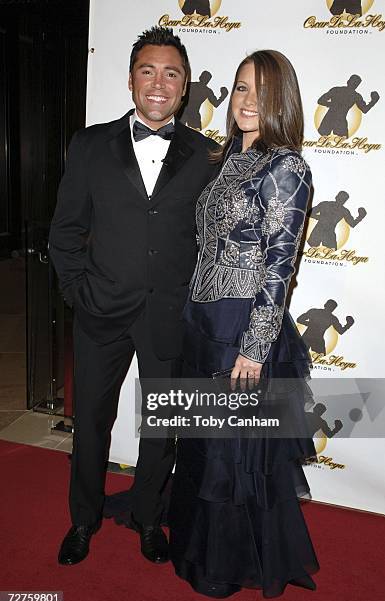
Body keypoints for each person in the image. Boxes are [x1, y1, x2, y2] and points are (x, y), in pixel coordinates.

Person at [49, 26, 218, 566]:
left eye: (172, 73)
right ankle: (83, 519)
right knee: (92, 422)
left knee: (161, 426)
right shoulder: (91, 144)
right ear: (130, 79)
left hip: (169, 313)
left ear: (185, 87)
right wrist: (78, 290)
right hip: (101, 309)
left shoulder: (207, 155)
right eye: (148, 70)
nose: (159, 83)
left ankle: (149, 516)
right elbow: (66, 229)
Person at [167, 50, 320, 599]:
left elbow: (280, 270)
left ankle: (225, 564)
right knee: (202, 443)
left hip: (242, 327)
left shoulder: (287, 168)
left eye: (259, 90)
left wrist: (254, 349)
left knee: (233, 454)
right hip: (201, 320)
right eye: (238, 89)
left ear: (282, 100)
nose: (246, 101)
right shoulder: (226, 159)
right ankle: (193, 543)